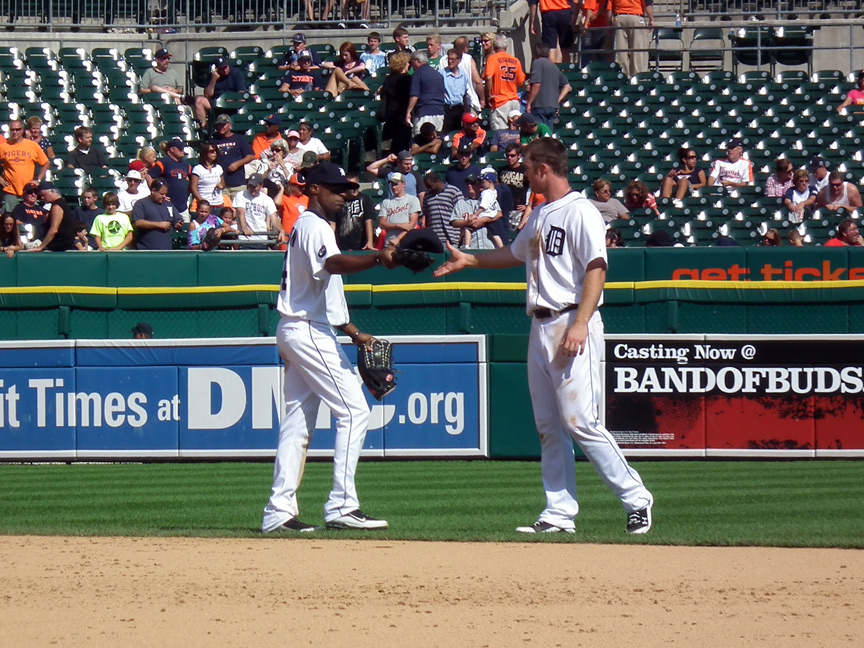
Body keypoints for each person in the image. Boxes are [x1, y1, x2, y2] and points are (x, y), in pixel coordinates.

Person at [433, 137, 654, 534]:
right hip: (541, 324)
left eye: (528, 166)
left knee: (581, 421)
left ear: (543, 169)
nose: (522, 173)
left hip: (572, 319)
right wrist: (471, 260)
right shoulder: (539, 213)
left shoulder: (581, 210)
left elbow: (597, 268)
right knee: (548, 426)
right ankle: (558, 513)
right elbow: (516, 255)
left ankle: (637, 499)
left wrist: (582, 322)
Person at [261, 162, 400, 534]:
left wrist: (354, 333)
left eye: (346, 189)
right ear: (316, 189)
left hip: (297, 327)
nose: (342, 195)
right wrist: (376, 257)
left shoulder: (309, 227)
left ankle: (278, 511)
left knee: (297, 424)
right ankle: (342, 505)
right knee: (354, 410)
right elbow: (334, 264)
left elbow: (327, 289)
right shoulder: (314, 225)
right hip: (308, 331)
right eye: (335, 189)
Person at [0, 119, 49, 212]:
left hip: (29, 191)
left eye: (17, 129)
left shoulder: (32, 146)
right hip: (11, 191)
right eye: (12, 129)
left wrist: (38, 180)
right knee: (10, 219)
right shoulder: (3, 147)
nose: (15, 132)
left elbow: (46, 163)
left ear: (22, 130)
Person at [524, 41, 571, 130]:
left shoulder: (537, 63)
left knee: (540, 134)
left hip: (539, 105)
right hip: (552, 106)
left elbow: (537, 84)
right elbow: (567, 86)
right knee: (548, 135)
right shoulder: (554, 67)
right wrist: (557, 101)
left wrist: (529, 103)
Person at [483, 34, 526, 131]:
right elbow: (521, 82)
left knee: (500, 135)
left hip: (500, 101)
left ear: (494, 46)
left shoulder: (492, 59)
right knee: (515, 134)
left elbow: (488, 77)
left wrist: (488, 95)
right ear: (506, 47)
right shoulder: (516, 61)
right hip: (514, 101)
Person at [194, 56, 247, 130]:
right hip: (216, 101)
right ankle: (204, 128)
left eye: (226, 67)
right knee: (199, 100)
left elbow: (241, 95)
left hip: (232, 100)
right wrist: (213, 80)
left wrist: (231, 100)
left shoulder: (236, 73)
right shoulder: (212, 76)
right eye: (222, 68)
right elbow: (207, 95)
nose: (225, 70)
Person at [211, 114, 256, 201]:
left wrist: (237, 164)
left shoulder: (239, 139)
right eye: (219, 125)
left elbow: (251, 155)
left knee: (239, 210)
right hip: (221, 184)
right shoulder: (213, 141)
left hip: (238, 183)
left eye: (223, 125)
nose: (221, 127)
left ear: (230, 125)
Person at [131, 178, 184, 250]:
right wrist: (158, 224)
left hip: (166, 250)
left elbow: (176, 219)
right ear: (153, 191)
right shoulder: (141, 204)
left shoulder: (168, 204)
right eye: (161, 194)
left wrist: (177, 223)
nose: (164, 196)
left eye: (165, 194)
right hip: (146, 249)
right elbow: (137, 222)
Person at [378, 52, 413, 156]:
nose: (409, 65)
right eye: (407, 63)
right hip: (402, 113)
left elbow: (383, 95)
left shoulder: (389, 78)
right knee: (402, 142)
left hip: (390, 114)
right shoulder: (406, 79)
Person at [438, 36, 484, 113]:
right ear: (466, 48)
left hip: (449, 104)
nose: (450, 61)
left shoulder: (443, 59)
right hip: (469, 100)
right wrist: (482, 99)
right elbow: (477, 81)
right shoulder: (468, 59)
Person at [150, 138, 192, 222]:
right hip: (167, 204)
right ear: (171, 150)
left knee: (184, 230)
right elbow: (149, 176)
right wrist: (158, 194)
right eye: (180, 149)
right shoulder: (163, 163)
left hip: (183, 206)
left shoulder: (187, 165)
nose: (182, 151)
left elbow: (193, 181)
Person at [610, 0, 654, 77]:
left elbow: (609, 7)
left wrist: (610, 23)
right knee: (637, 51)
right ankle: (637, 78)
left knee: (620, 52)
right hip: (636, 17)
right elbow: (647, 4)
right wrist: (651, 19)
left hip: (619, 17)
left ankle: (622, 77)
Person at [405, 51, 446, 136]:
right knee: (436, 140)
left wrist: (408, 112)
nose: (411, 66)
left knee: (420, 140)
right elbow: (444, 94)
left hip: (424, 113)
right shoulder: (438, 74)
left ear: (417, 61)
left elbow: (414, 95)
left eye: (412, 63)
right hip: (439, 112)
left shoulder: (417, 74)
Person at [331, 173, 375, 250]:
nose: (354, 189)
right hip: (341, 245)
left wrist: (370, 242)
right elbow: (332, 224)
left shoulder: (365, 199)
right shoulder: (337, 201)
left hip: (360, 245)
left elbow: (368, 222)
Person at [30, 181, 77, 252]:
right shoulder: (61, 203)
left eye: (44, 195)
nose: (42, 197)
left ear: (52, 191)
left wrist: (41, 247)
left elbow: (53, 230)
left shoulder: (57, 206)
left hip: (59, 244)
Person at [234, 173, 280, 244]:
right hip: (244, 239)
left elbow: (274, 219)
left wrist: (281, 230)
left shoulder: (267, 199)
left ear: (261, 186)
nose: (252, 189)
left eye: (255, 186)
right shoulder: (240, 195)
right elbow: (241, 213)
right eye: (250, 186)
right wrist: (244, 228)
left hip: (261, 238)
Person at [422, 171, 463, 247]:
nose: (430, 190)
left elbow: (462, 213)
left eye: (431, 187)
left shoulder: (453, 191)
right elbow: (426, 215)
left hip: (453, 237)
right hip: (435, 238)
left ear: (438, 182)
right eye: (428, 188)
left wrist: (462, 235)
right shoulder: (427, 195)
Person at [379, 171, 421, 245]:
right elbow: (382, 224)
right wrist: (398, 225)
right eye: (392, 184)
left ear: (404, 184)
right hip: (390, 243)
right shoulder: (386, 202)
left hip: (408, 243)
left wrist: (398, 239)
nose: (393, 187)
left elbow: (412, 225)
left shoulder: (413, 200)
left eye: (396, 184)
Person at [440, 48, 471, 134]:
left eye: (453, 59)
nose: (450, 61)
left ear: (459, 60)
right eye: (449, 59)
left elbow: (464, 94)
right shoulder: (441, 74)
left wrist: (466, 110)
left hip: (458, 109)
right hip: (446, 108)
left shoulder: (463, 76)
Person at [498, 143, 528, 229]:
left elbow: (534, 189)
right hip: (503, 208)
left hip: (518, 210)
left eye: (512, 155)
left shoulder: (525, 171)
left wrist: (527, 206)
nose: (509, 158)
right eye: (507, 155)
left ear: (519, 156)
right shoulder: (501, 170)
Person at [190, 142, 225, 212]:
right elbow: (193, 187)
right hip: (205, 206)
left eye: (216, 151)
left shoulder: (218, 167)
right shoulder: (198, 169)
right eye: (212, 151)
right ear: (205, 153)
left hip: (219, 204)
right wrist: (202, 201)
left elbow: (223, 184)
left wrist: (221, 186)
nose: (214, 153)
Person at [278, 173, 309, 238]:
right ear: (292, 186)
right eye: (299, 187)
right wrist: (281, 190)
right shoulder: (285, 198)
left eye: (303, 187)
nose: (302, 189)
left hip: (302, 236)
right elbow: (277, 202)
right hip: (288, 237)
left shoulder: (307, 199)